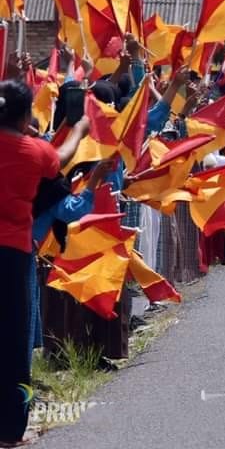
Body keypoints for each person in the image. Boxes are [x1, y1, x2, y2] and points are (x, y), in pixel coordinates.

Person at [0, 81, 62, 444]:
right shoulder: (34, 151)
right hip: (12, 255)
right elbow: (57, 163)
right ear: (26, 118)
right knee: (12, 341)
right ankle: (10, 429)